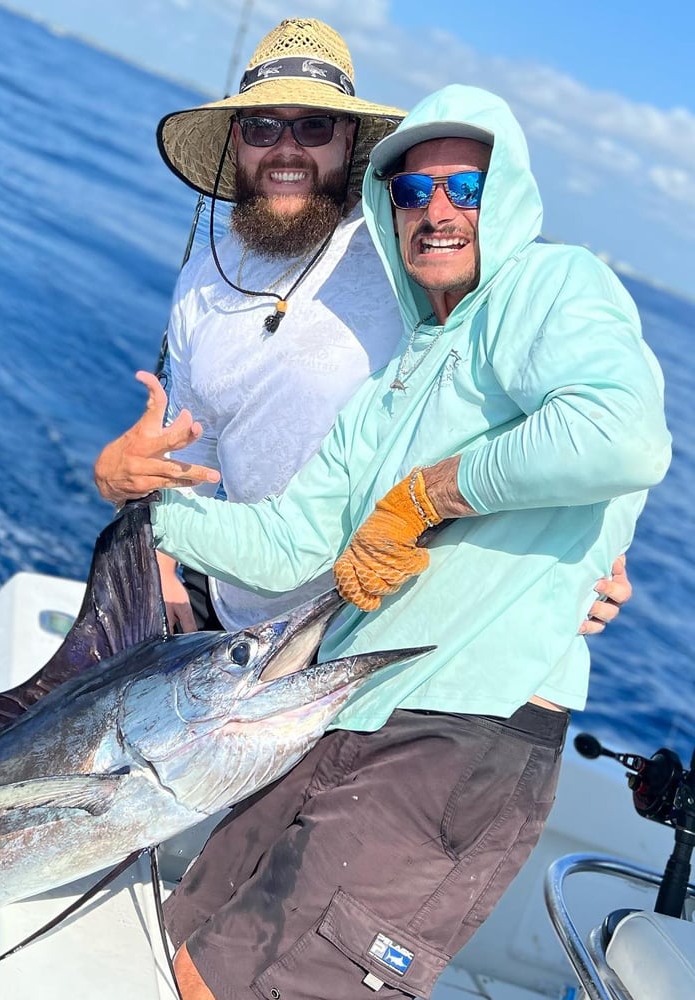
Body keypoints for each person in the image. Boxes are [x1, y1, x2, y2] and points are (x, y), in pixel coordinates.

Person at [108, 84, 672, 999]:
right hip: (344, 709)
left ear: (512, 195)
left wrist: (425, 497)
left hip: (463, 735)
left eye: (465, 188)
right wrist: (142, 503)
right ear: (386, 209)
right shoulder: (396, 378)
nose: (437, 211)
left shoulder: (551, 286)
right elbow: (294, 543)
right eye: (411, 194)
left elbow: (621, 436)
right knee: (181, 946)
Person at [94, 18, 631, 637]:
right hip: (229, 605)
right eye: (263, 126)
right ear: (235, 140)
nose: (286, 149)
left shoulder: (412, 255)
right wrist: (159, 566)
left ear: (349, 140)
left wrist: (596, 546)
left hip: (370, 629)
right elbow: (191, 446)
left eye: (314, 126)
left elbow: (573, 401)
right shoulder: (203, 276)